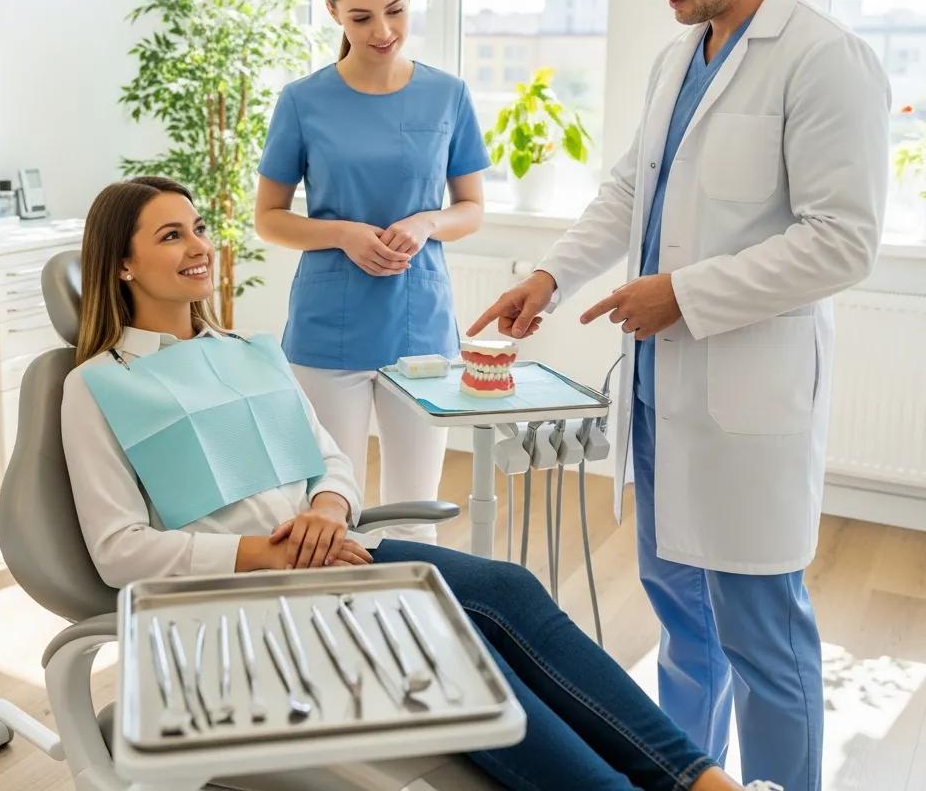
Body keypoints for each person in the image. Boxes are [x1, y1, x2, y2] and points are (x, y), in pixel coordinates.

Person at [60, 176, 782, 791]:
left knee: (506, 589)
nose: (198, 248)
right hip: (242, 601)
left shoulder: (251, 351)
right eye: (170, 237)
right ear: (121, 265)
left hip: (335, 557)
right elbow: (118, 551)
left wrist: (328, 507)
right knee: (452, 638)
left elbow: (329, 458)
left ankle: (702, 781)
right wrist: (262, 553)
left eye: (198, 229)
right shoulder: (99, 386)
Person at [468, 0, 891, 791]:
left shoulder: (827, 62)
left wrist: (683, 295)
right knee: (682, 625)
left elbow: (842, 241)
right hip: (661, 397)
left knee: (762, 640)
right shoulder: (679, 57)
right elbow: (630, 191)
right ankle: (680, 780)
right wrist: (549, 277)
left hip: (747, 400)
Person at [254, 0, 490, 542]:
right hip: (327, 331)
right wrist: (344, 235)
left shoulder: (448, 95)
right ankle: (338, 629)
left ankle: (411, 631)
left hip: (420, 328)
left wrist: (427, 222)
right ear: (333, 12)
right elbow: (270, 218)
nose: (383, 30)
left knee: (415, 512)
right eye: (361, 17)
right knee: (333, 511)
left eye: (396, 9)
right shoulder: (303, 102)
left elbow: (471, 209)